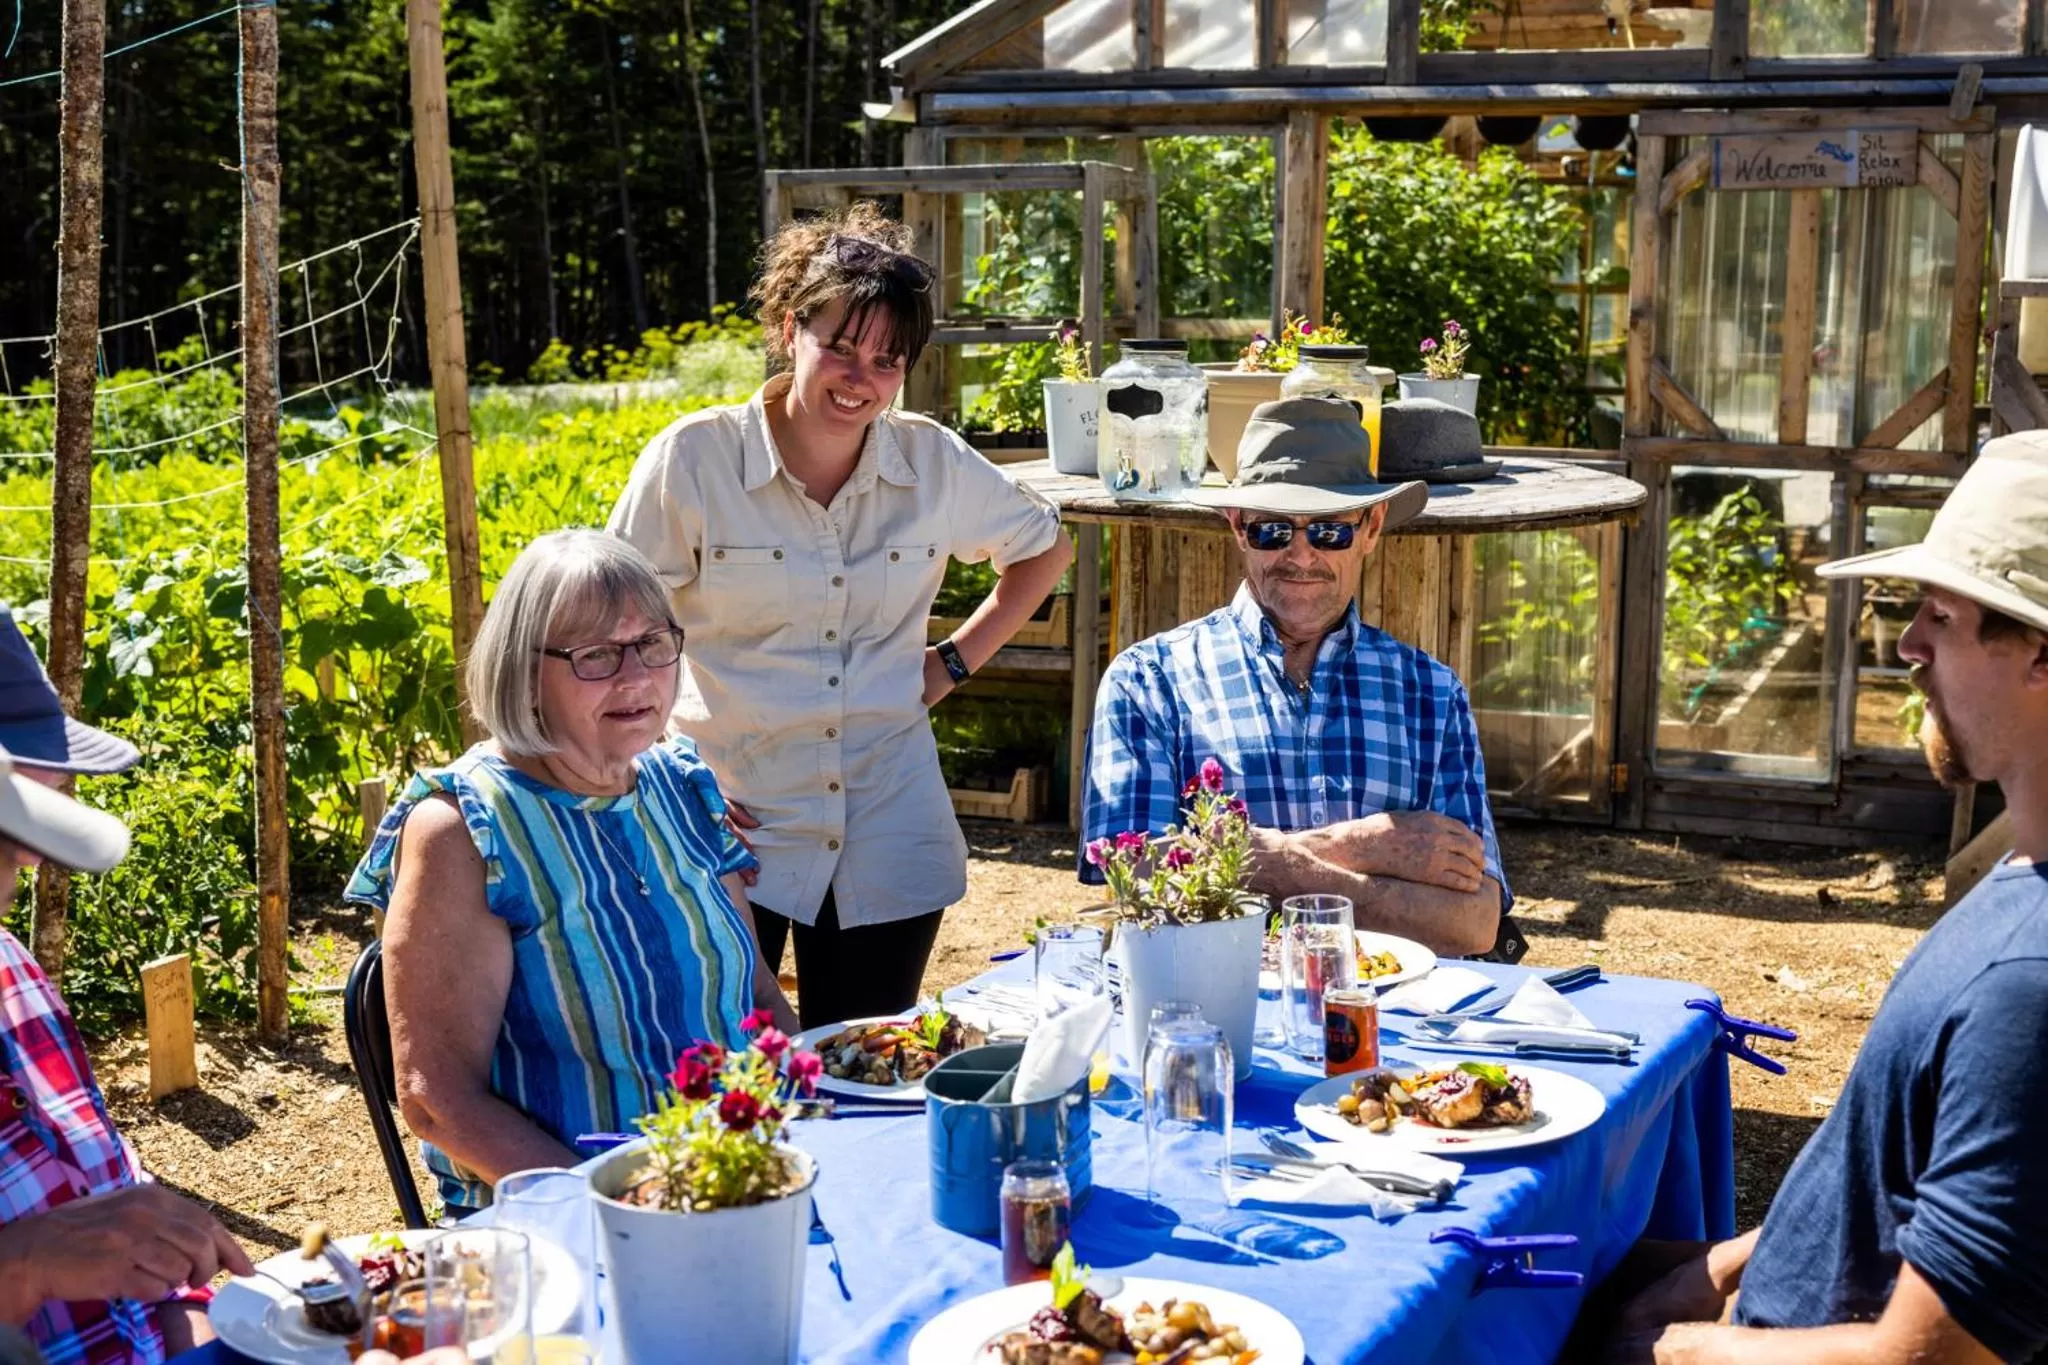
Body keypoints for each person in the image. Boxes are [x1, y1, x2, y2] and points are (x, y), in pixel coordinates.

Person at [1589, 433, 2048, 1363]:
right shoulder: (2019, 879)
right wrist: (1715, 1269)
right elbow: (1887, 1188)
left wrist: (1664, 1351)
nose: (1909, 645)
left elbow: (1926, 1356)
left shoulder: (2028, 988)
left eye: (1943, 617)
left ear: (2039, 655)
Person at [609, 202, 1073, 1027]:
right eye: (841, 346)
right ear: (791, 332)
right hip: (730, 823)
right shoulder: (696, 459)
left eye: (888, 360)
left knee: (860, 1069)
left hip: (887, 828)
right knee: (717, 1071)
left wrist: (951, 662)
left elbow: (1043, 548)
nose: (861, 377)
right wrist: (660, 772)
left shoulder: (931, 462)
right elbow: (614, 627)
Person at [345, 530, 797, 1215]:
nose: (636, 676)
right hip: (566, 1224)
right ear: (523, 672)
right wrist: (627, 1208)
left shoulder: (681, 784)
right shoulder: (466, 827)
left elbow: (759, 993)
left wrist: (810, 1118)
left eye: (652, 643)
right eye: (595, 655)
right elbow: (437, 1099)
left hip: (738, 1180)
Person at [1081, 398, 1514, 959]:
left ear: (1371, 527)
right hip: (1209, 1010)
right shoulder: (1148, 680)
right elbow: (1136, 879)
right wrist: (1366, 847)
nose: (1301, 556)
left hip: (1389, 1027)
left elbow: (1475, 922)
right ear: (1237, 526)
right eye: (1273, 530)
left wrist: (1257, 859)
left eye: (1329, 531)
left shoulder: (1430, 693)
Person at [0, 608, 254, 1363]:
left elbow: (103, 1194)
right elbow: (54, 1246)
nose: (32, 862)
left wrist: (199, 1320)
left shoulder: (11, 970)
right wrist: (25, 1262)